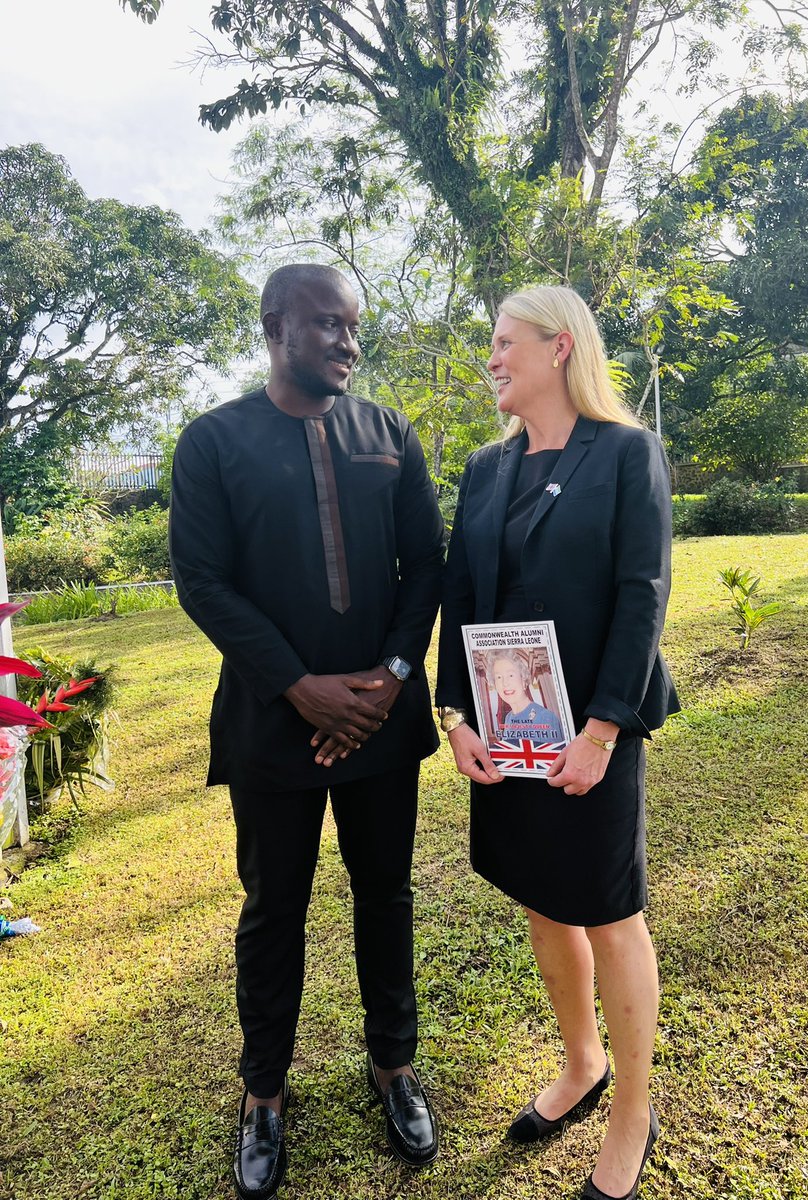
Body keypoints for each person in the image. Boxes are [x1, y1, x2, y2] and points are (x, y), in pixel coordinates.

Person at [169, 264, 444, 1199]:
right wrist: (298, 686)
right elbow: (202, 581)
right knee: (271, 909)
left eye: (354, 327)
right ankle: (263, 1095)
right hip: (271, 726)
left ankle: (393, 1067)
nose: (347, 342)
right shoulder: (214, 441)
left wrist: (388, 680)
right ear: (274, 324)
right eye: (327, 324)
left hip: (381, 724)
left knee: (387, 896)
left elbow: (426, 566)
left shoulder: (388, 433)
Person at [436, 285, 679, 1200]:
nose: (491, 357)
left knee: (610, 911)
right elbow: (461, 596)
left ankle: (632, 1110)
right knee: (544, 897)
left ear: (560, 347)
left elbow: (641, 593)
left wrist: (604, 729)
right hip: (507, 734)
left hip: (592, 736)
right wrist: (455, 717)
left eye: (504, 342)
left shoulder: (626, 453)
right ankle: (583, 1064)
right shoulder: (484, 468)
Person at [489, 651, 564, 743]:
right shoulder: (508, 718)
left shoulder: (546, 718)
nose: (505, 683)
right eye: (499, 677)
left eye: (511, 675)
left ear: (523, 680)